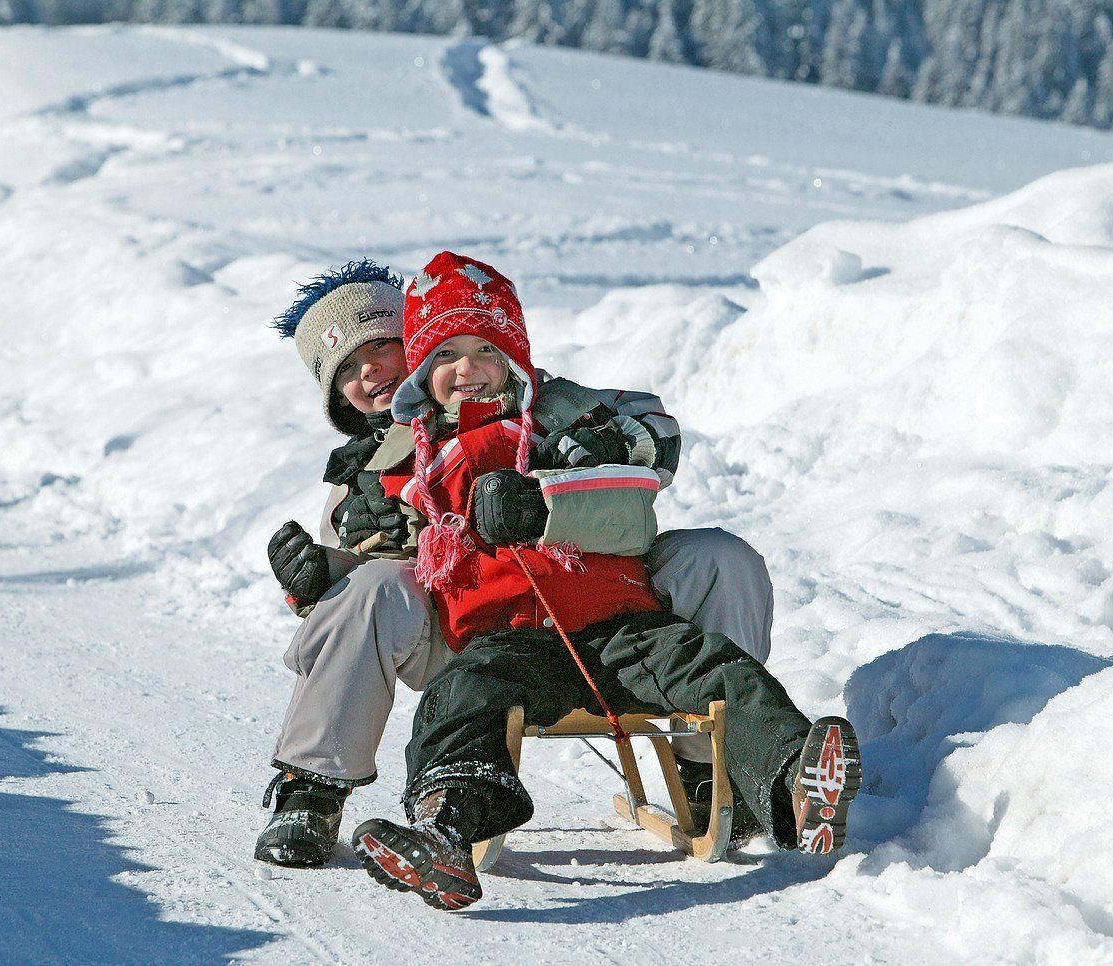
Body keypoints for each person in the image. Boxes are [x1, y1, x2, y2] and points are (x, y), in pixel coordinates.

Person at [351, 252, 861, 911]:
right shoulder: (408, 460)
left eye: (487, 349)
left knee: (725, 673)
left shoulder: (567, 423)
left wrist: (558, 485)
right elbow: (374, 546)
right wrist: (339, 544)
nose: (469, 369)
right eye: (448, 355)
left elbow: (638, 476)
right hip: (511, 640)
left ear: (515, 359)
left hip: (624, 624)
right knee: (462, 697)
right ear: (422, 372)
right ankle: (447, 824)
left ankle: (794, 785)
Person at [255, 260, 776, 867]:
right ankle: (310, 793)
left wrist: (595, 452)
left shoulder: (552, 404)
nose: (369, 370)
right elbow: (355, 609)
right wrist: (318, 575)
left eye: (380, 346)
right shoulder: (363, 478)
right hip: (467, 638)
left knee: (717, 556)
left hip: (608, 611)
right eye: (345, 367)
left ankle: (716, 765)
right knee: (372, 585)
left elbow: (655, 434)